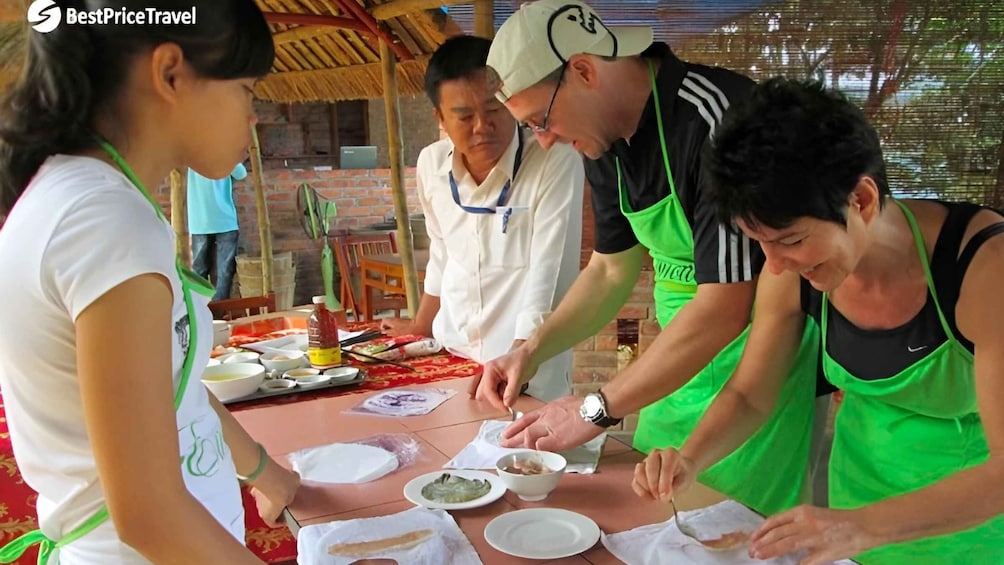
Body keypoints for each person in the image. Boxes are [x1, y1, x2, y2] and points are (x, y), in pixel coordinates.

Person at [475, 0, 824, 516]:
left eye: (540, 120)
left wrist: (596, 406)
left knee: (731, 528)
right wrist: (532, 350)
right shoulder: (601, 141)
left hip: (761, 367)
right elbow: (611, 268)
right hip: (676, 363)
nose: (545, 140)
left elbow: (726, 306)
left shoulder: (714, 120)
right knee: (646, 510)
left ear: (584, 71)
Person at [634, 78, 1004, 564]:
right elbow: (749, 394)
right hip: (854, 525)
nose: (776, 264)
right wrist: (690, 458)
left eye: (790, 240)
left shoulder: (984, 269)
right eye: (759, 243)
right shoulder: (790, 272)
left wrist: (861, 527)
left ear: (862, 201)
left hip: (964, 539)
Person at [0, 1, 300, 563]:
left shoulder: (92, 202)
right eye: (246, 89)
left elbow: (170, 389)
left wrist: (263, 471)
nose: (254, 117)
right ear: (170, 73)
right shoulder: (104, 222)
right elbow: (149, 515)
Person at [380, 35, 584, 402]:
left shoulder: (554, 159)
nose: (482, 127)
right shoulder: (431, 164)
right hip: (450, 360)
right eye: (464, 116)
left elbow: (547, 274)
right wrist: (420, 327)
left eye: (493, 110)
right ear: (440, 118)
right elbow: (443, 254)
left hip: (525, 371)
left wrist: (523, 357)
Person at [188, 163, 247, 300]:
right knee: (224, 272)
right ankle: (219, 310)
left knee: (198, 271)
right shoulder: (224, 154)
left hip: (199, 220)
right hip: (225, 219)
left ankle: (200, 308)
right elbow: (241, 173)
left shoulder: (192, 152)